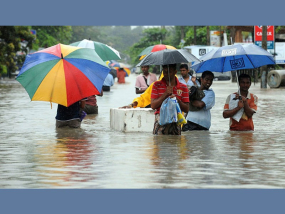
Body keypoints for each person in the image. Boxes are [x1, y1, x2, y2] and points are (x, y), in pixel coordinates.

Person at [151, 64, 189, 135]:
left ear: (175, 72)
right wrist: (165, 94)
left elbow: (186, 109)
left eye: (169, 72)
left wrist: (177, 100)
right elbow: (153, 106)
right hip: (160, 117)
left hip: (175, 119)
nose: (166, 74)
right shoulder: (156, 85)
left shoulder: (183, 87)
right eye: (164, 72)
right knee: (159, 142)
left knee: (175, 143)